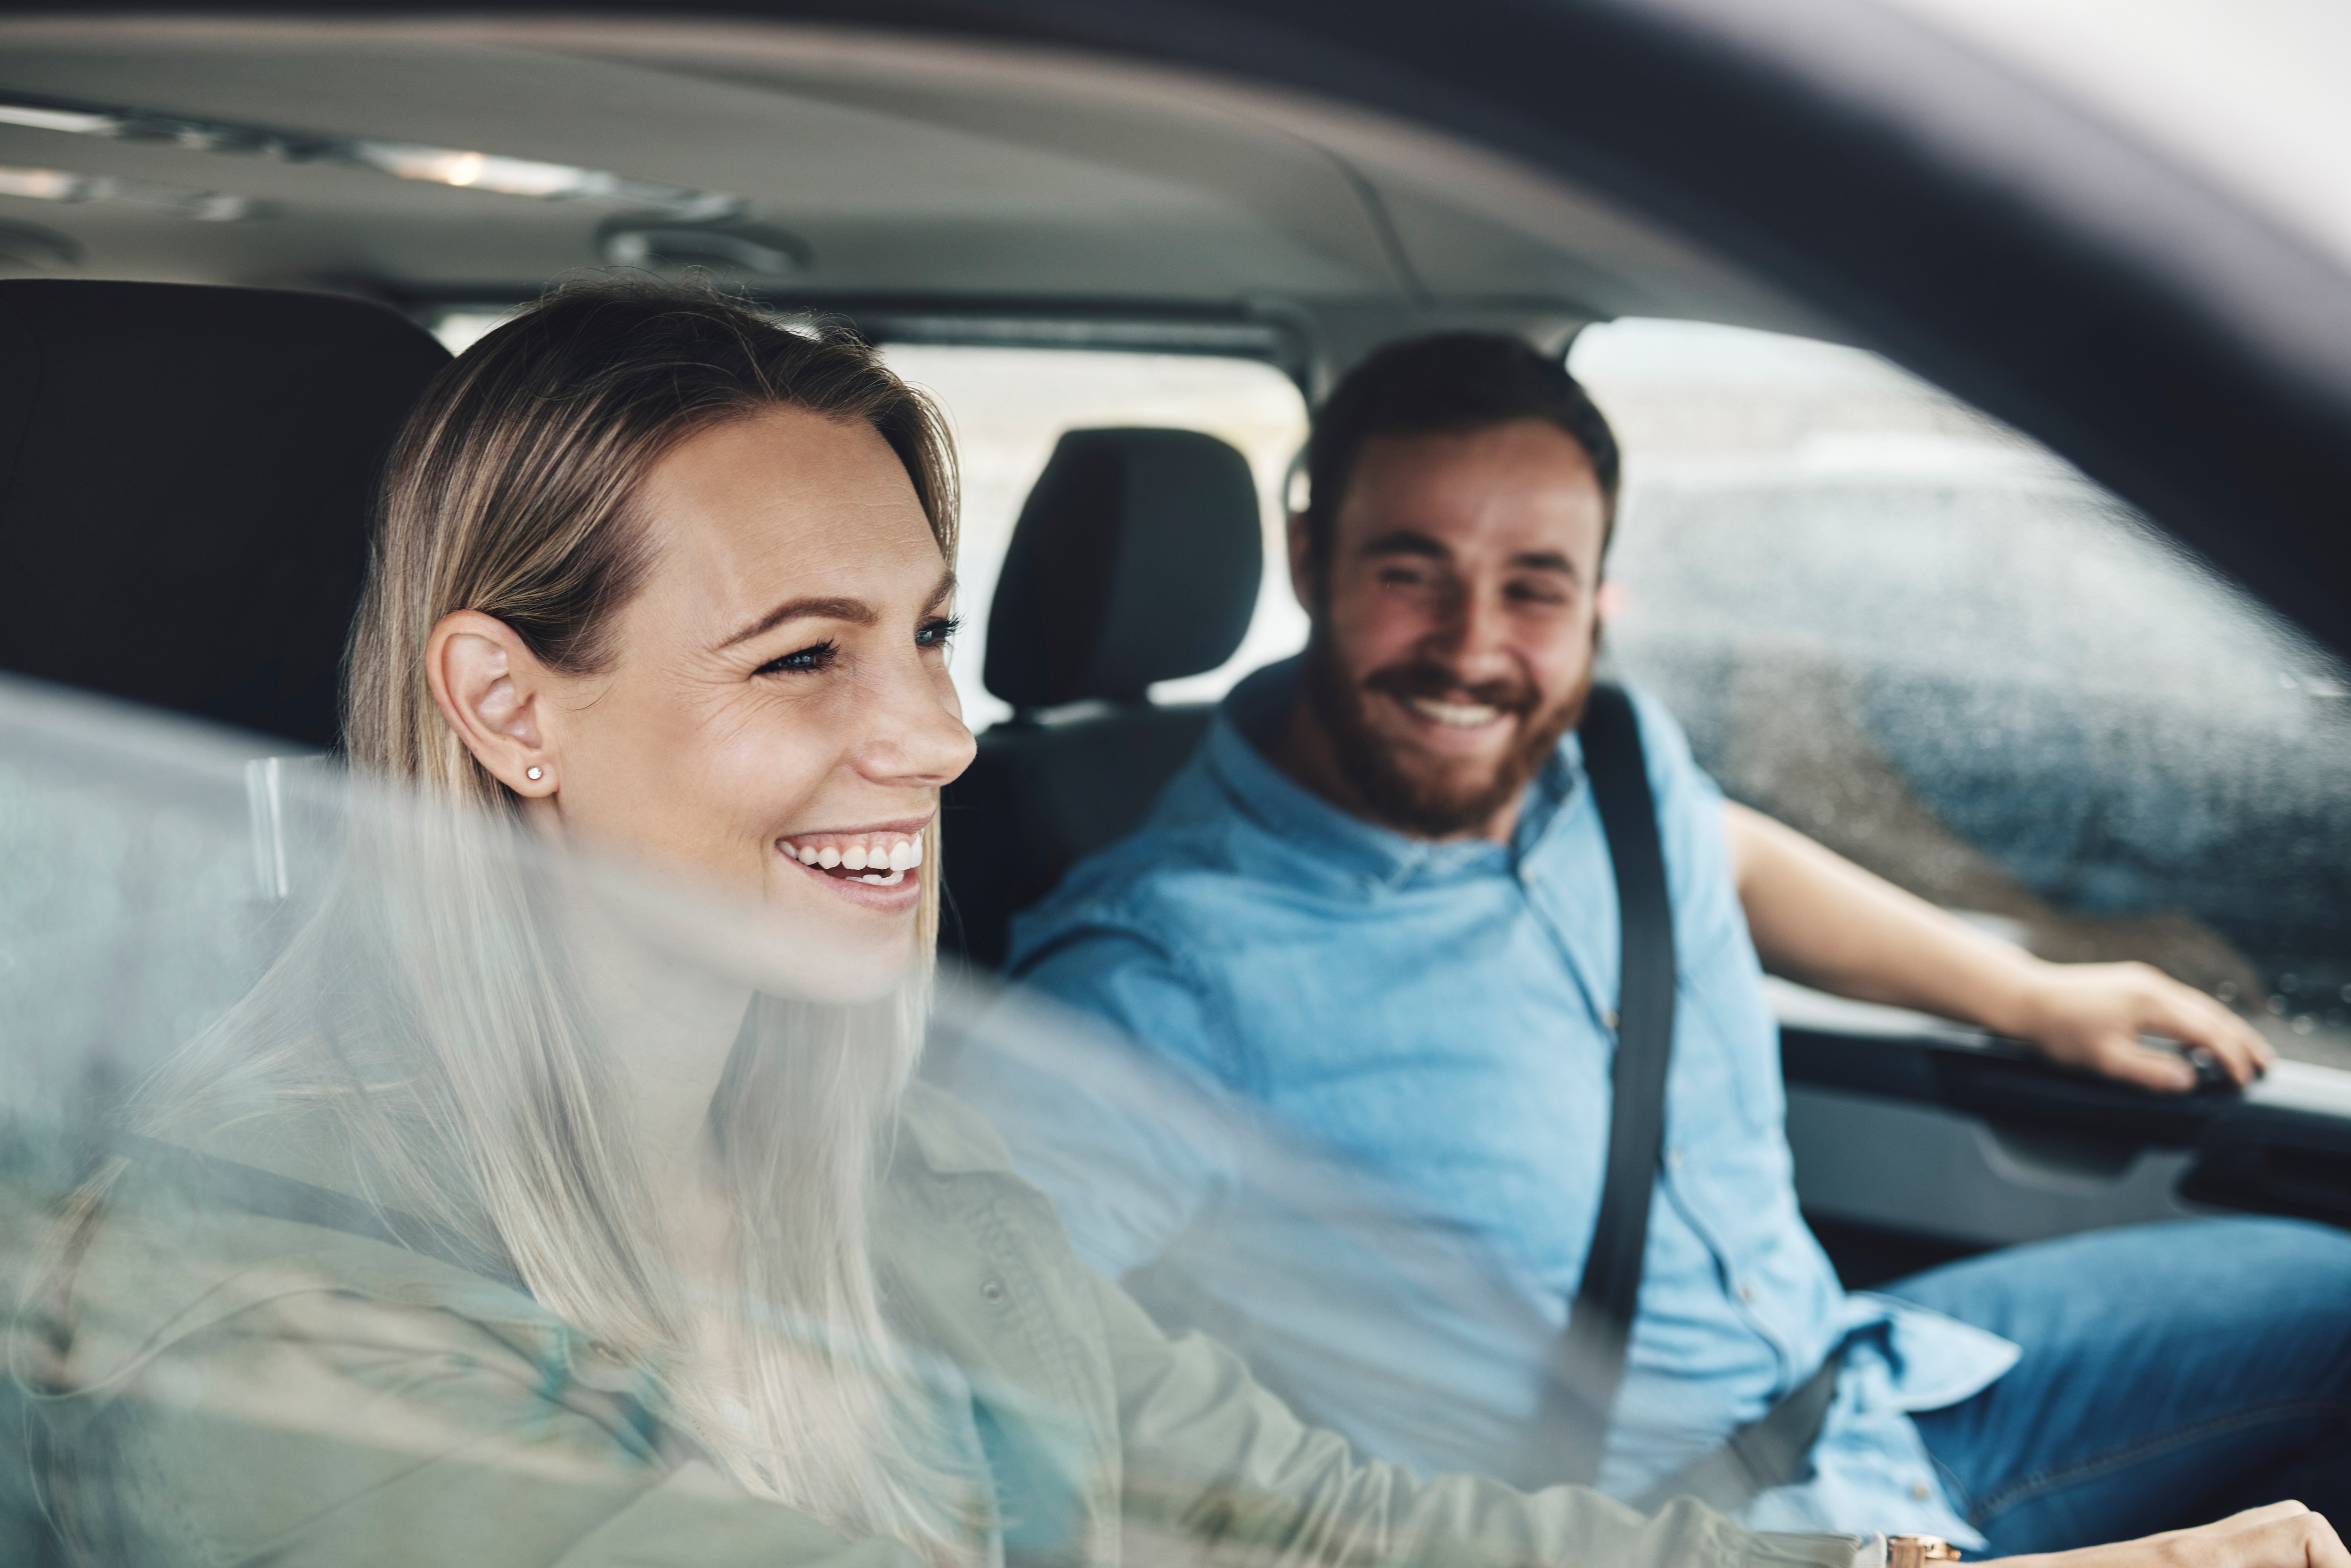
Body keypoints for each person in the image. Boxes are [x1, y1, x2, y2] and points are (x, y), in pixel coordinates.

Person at [12, 288, 2337, 1568]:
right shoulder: (272, 1299)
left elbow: (1321, 1526)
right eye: (804, 657)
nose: (936, 738)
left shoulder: (891, 1164)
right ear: (507, 701)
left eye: (931, 636)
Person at [951, 333, 2351, 1555]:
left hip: (1869, 1378)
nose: (1473, 648)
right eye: (1412, 571)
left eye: (1535, 587)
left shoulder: (1609, 765)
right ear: (1311, 558)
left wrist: (2033, 997)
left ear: (1597, 598)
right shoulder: (1155, 981)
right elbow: (973, 1345)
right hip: (1694, 1543)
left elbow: (1725, 854)